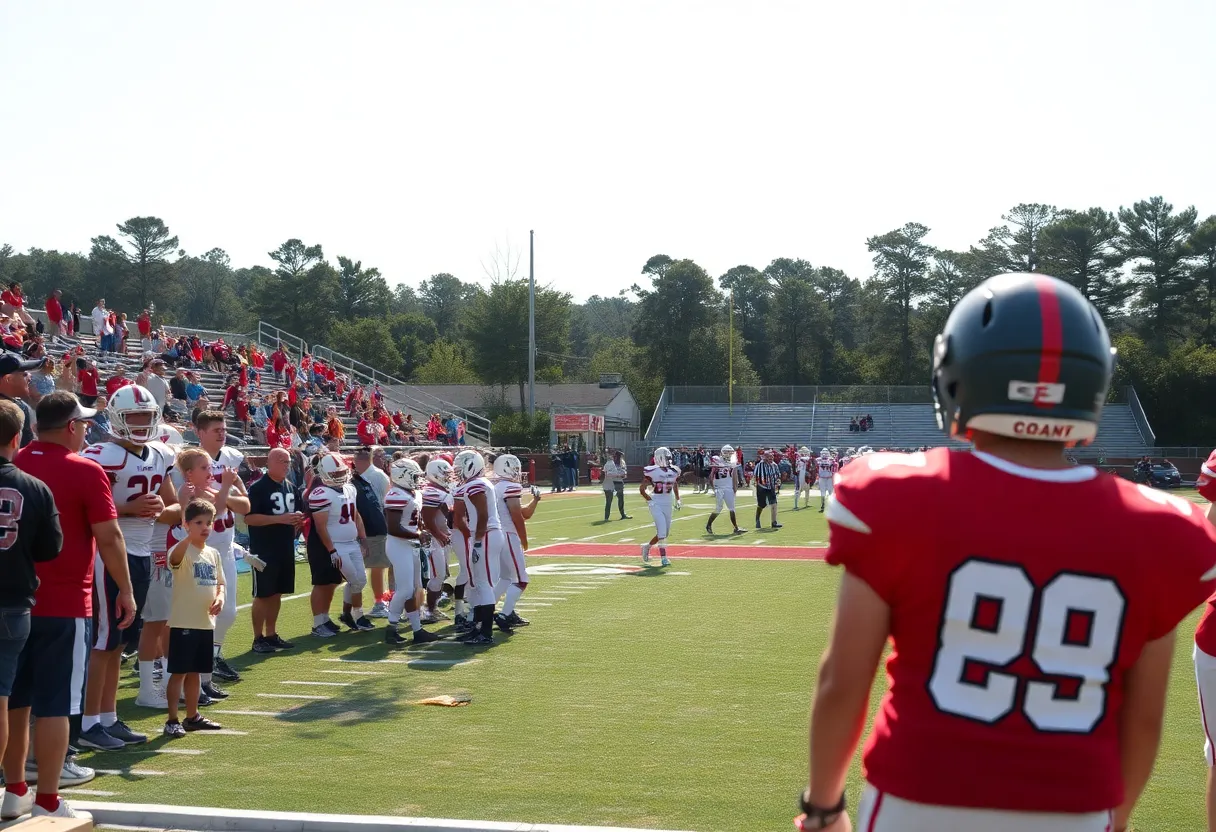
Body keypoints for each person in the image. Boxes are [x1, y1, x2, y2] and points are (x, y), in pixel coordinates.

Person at [800, 273, 1216, 832]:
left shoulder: (896, 494)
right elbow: (1142, 721)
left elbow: (844, 678)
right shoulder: (1160, 528)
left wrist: (824, 807)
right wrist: (1112, 821)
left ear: (957, 374)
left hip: (917, 797)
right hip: (1074, 805)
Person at [8, 392, 134, 821]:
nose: (85, 430)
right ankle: (47, 795)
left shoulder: (15, 463)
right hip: (64, 602)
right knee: (57, 704)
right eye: (81, 424)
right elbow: (110, 536)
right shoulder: (84, 469)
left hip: (13, 599)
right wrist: (126, 589)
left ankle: (13, 787)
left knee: (13, 699)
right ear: (70, 427)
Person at [78, 385, 180, 750]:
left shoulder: (159, 453)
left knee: (120, 641)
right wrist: (129, 510)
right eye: (134, 416)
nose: (141, 423)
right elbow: (82, 508)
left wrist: (155, 510)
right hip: (107, 553)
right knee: (104, 642)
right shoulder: (100, 455)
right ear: (118, 418)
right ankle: (88, 723)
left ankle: (108, 717)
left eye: (147, 416)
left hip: (139, 553)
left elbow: (174, 507)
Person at [0, 400, 65, 821]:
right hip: (11, 603)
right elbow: (50, 548)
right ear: (17, 439)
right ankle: (18, 789)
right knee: (1, 700)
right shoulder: (34, 487)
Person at [183, 410, 250, 684]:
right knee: (201, 613)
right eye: (215, 430)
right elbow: (215, 507)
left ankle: (211, 658)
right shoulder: (195, 462)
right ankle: (190, 670)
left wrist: (230, 489)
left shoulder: (232, 457)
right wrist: (226, 491)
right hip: (202, 548)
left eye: (223, 429)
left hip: (225, 545)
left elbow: (245, 503)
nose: (222, 434)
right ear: (200, 433)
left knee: (229, 611)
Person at [162, 499, 225, 738]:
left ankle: (192, 716)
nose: (205, 527)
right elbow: (175, 560)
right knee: (178, 672)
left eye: (208, 522)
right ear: (186, 524)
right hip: (183, 622)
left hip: (204, 622)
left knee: (196, 672)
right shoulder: (182, 549)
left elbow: (220, 584)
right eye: (198, 522)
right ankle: (171, 719)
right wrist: (188, 536)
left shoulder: (213, 554)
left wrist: (220, 598)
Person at [245, 448, 303, 654]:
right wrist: (279, 519)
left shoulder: (291, 487)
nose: (286, 465)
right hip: (264, 548)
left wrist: (297, 520)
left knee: (277, 592)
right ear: (269, 462)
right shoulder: (258, 488)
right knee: (263, 593)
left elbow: (299, 513)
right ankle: (257, 637)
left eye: (288, 461)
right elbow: (249, 518)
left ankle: (271, 634)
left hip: (285, 546)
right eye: (281, 461)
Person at [307, 453, 371, 636]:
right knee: (353, 580)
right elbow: (320, 526)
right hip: (337, 545)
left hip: (351, 542)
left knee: (360, 580)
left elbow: (356, 515)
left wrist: (363, 538)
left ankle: (350, 614)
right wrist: (331, 550)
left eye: (341, 472)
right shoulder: (321, 493)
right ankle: (344, 617)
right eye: (334, 474)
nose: (339, 476)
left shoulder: (350, 488)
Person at [382, 457, 442, 646]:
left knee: (415, 589)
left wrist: (421, 531)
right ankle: (391, 627)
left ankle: (417, 630)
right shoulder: (395, 494)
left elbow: (415, 520)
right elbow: (393, 528)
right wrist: (418, 535)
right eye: (414, 476)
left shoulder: (412, 493)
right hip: (399, 545)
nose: (418, 480)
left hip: (410, 545)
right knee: (405, 589)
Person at [451, 450, 502, 645]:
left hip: (486, 533)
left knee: (484, 584)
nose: (457, 472)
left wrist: (478, 537)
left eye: (460, 467)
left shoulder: (476, 484)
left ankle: (486, 632)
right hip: (485, 534)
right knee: (480, 583)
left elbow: (483, 514)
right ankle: (479, 627)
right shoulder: (474, 484)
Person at [492, 454, 539, 631]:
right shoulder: (511, 486)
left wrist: (535, 500)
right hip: (509, 535)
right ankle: (504, 615)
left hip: (498, 534)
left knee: (505, 578)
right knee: (521, 580)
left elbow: (524, 513)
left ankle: (485, 612)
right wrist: (524, 538)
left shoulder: (496, 487)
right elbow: (517, 517)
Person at [351, 447, 391, 620]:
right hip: (367, 526)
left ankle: (380, 602)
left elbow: (384, 503)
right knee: (375, 566)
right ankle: (381, 601)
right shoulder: (367, 475)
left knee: (378, 566)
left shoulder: (377, 476)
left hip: (376, 526)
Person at [639, 446, 680, 567]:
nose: (668, 459)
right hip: (656, 502)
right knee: (661, 531)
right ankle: (664, 558)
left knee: (665, 533)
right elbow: (642, 489)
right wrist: (649, 500)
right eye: (666, 457)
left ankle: (647, 547)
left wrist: (678, 499)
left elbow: (675, 484)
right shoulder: (652, 471)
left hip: (668, 503)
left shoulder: (674, 471)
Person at [0, 353, 40, 447]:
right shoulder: (18, 409)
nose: (30, 377)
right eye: (24, 374)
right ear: (9, 379)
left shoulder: (21, 405)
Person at [705, 444, 744, 535]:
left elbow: (734, 475)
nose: (728, 454)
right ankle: (708, 525)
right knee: (719, 508)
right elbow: (711, 476)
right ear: (722, 453)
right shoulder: (717, 460)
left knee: (732, 508)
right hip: (719, 487)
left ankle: (736, 528)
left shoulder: (733, 462)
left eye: (729, 452)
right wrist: (714, 488)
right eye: (726, 452)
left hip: (729, 487)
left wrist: (735, 486)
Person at [753, 449, 782, 530]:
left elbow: (777, 475)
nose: (771, 458)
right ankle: (757, 519)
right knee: (761, 505)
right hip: (761, 487)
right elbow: (755, 476)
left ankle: (774, 522)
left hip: (771, 487)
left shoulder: (774, 465)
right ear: (765, 457)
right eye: (769, 457)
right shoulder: (760, 465)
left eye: (772, 456)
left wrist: (778, 482)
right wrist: (757, 486)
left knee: (774, 504)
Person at [600, 449, 630, 521]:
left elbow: (624, 474)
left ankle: (623, 515)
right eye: (618, 456)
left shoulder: (622, 463)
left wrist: (618, 475)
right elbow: (607, 474)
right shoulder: (609, 463)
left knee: (621, 500)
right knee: (608, 501)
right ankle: (606, 517)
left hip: (619, 483)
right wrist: (618, 475)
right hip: (610, 483)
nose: (619, 458)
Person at [816, 447, 839, 514]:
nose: (824, 454)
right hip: (822, 478)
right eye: (823, 453)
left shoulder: (832, 460)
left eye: (826, 453)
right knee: (822, 493)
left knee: (830, 493)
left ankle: (831, 507)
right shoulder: (818, 460)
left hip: (829, 478)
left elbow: (835, 469)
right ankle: (823, 506)